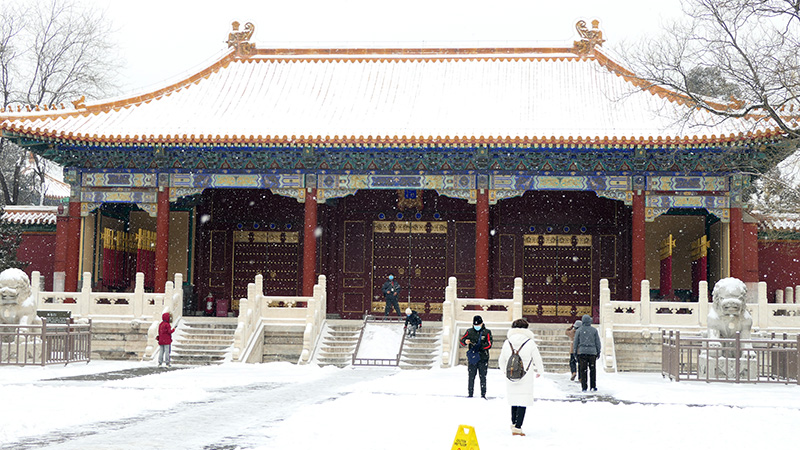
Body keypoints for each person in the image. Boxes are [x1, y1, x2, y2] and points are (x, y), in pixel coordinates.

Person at [498, 318, 544, 436]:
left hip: (511, 375)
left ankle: (514, 424)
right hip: (525, 376)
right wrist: (540, 371)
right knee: (523, 400)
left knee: (514, 400)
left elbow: (501, 360)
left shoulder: (507, 342)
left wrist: (505, 371)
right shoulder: (530, 342)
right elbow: (537, 358)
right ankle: (518, 428)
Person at [459, 315, 493, 398]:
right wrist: (465, 342)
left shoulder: (487, 332)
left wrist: (479, 346)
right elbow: (462, 341)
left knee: (483, 377)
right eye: (475, 325)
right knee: (471, 376)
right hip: (473, 358)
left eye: (478, 325)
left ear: (482, 324)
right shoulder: (469, 331)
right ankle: (470, 393)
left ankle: (483, 394)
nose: (476, 327)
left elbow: (489, 344)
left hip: (483, 358)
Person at [573, 314, 601, 392]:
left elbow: (575, 342)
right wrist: (598, 351)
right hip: (592, 353)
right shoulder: (594, 330)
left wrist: (575, 352)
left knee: (583, 370)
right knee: (592, 370)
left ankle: (584, 387)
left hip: (582, 352)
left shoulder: (579, 330)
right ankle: (593, 386)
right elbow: (597, 342)